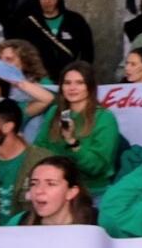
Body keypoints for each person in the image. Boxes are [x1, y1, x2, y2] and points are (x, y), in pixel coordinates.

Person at [36, 62, 122, 195]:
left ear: (90, 86)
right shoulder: (54, 112)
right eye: (67, 83)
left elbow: (97, 167)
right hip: (56, 190)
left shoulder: (105, 118)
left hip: (91, 192)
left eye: (79, 83)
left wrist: (72, 142)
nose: (72, 88)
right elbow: (40, 149)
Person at [13, 0, 93, 74]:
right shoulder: (29, 23)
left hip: (69, 77)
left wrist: (81, 73)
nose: (47, 0)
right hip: (39, 78)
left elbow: (87, 51)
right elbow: (22, 52)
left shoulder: (75, 20)